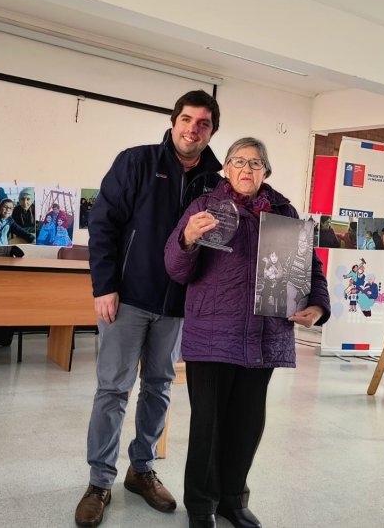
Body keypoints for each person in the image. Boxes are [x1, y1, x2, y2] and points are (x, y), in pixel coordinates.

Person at [164, 137, 330, 528]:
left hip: (264, 334)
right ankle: (202, 505)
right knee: (209, 423)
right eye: (238, 161)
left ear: (266, 171)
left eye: (255, 163)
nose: (246, 169)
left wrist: (318, 306)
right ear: (226, 168)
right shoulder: (205, 207)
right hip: (213, 333)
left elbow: (311, 269)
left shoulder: (285, 213)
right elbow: (175, 267)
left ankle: (232, 499)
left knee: (247, 423)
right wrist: (187, 238)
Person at [76, 90, 223, 528]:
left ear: (212, 130)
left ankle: (141, 470)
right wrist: (104, 285)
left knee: (159, 387)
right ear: (173, 120)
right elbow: (102, 224)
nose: (192, 129)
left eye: (203, 123)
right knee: (113, 390)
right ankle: (99, 480)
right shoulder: (137, 161)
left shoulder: (217, 180)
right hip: (127, 299)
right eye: (186, 119)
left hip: (178, 306)